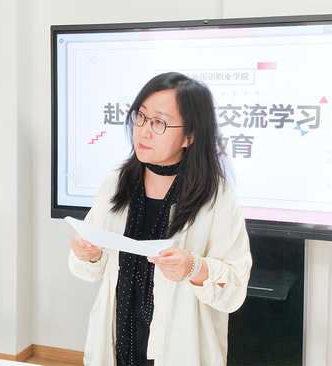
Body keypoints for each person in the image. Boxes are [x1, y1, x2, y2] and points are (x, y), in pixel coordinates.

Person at [69, 72, 252, 366]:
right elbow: (89, 269)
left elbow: (234, 290)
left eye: (159, 123)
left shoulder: (216, 196)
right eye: (140, 117)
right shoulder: (117, 182)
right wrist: (86, 253)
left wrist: (194, 267)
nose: (143, 132)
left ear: (190, 135)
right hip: (120, 340)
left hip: (181, 349)